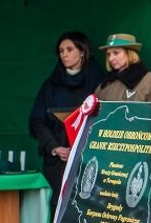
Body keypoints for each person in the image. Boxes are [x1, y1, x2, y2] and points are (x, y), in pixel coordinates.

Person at [29, 31, 105, 196]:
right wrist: (55, 147)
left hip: (89, 159)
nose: (64, 54)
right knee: (58, 205)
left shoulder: (98, 82)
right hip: (58, 162)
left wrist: (83, 148)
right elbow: (38, 120)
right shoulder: (51, 85)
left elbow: (104, 119)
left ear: (82, 51)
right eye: (61, 51)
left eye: (69, 49)